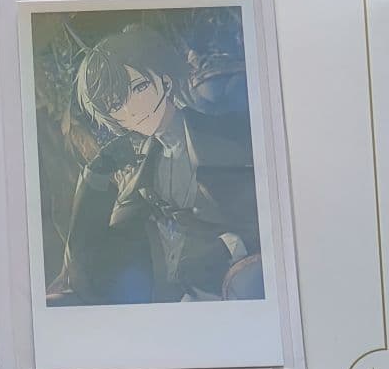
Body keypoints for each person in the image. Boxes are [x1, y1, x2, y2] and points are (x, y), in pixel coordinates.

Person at [65, 24, 263, 305]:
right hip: (172, 298)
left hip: (236, 283)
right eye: (115, 105)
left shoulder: (224, 135)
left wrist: (232, 244)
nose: (131, 109)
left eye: (139, 88)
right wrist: (96, 174)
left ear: (166, 81)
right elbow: (86, 264)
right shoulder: (142, 174)